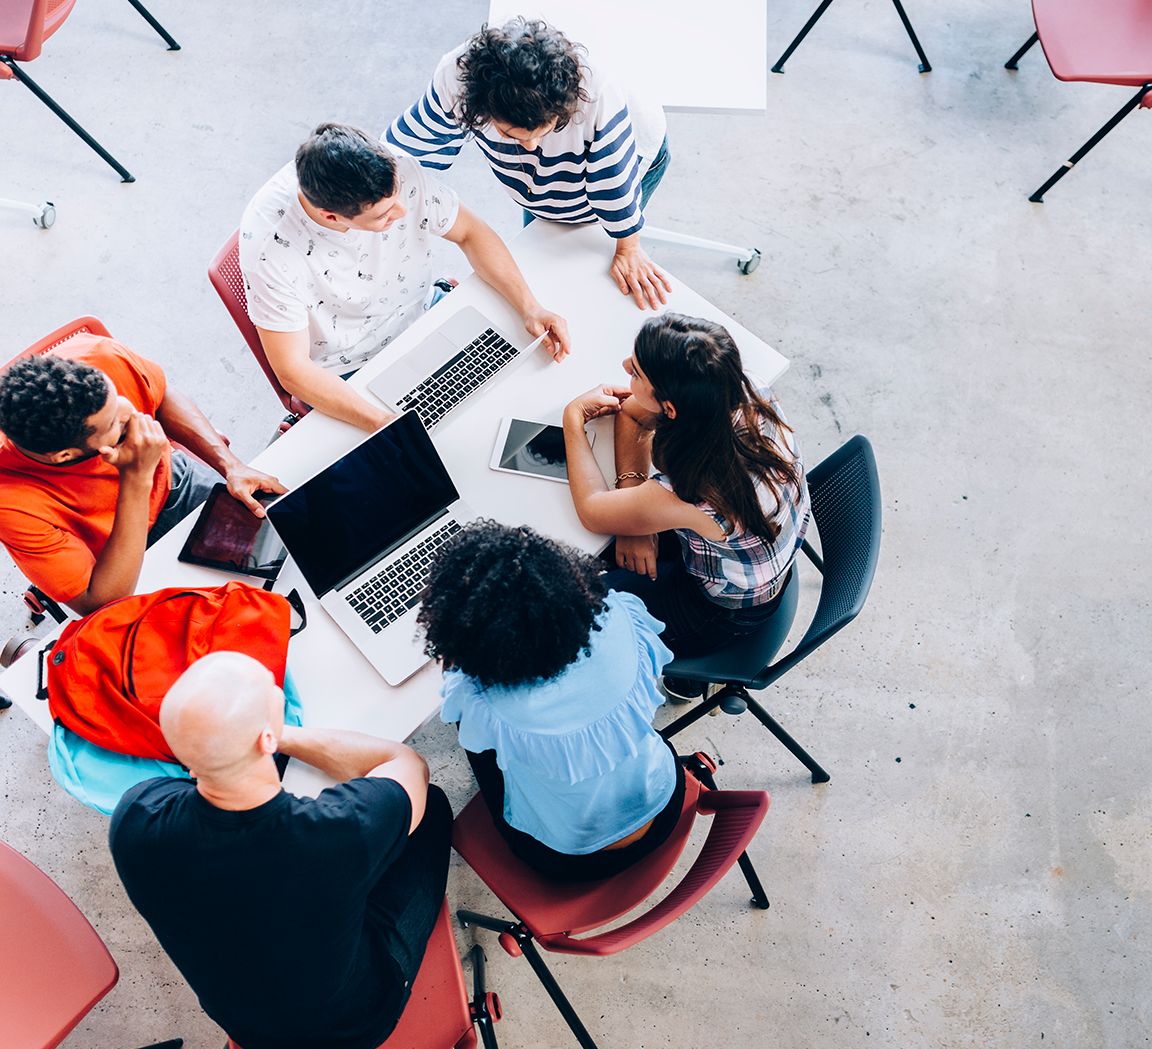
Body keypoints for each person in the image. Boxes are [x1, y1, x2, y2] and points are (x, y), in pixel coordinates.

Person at [109, 652, 452, 1049]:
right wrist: (277, 734)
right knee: (430, 809)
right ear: (266, 739)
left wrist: (235, 740)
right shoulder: (337, 833)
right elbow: (407, 764)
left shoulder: (134, 820)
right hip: (354, 1027)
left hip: (248, 1030)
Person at [237, 122, 571, 432]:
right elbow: (292, 369)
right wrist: (386, 424)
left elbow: (470, 232)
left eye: (398, 195)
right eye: (384, 215)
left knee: (530, 392)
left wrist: (530, 306)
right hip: (351, 369)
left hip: (425, 314)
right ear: (331, 216)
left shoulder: (396, 167)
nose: (402, 211)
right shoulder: (271, 248)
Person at [418, 521, 687, 881]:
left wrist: (458, 667)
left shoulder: (483, 703)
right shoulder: (622, 614)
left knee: (468, 729)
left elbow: (463, 703)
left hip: (570, 857)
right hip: (665, 800)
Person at [561, 313, 808, 677]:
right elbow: (631, 416)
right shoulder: (741, 390)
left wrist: (572, 419)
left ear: (672, 409)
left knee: (568, 611)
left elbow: (592, 510)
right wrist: (636, 521)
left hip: (719, 613)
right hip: (752, 562)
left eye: (637, 373)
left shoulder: (700, 489)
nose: (625, 366)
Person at [0, 335, 284, 616]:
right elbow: (101, 601)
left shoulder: (99, 355)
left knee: (284, 558)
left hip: (175, 484)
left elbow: (159, 395)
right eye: (117, 427)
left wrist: (230, 465)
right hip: (113, 560)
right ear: (66, 456)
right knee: (223, 620)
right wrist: (137, 478)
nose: (134, 417)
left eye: (120, 400)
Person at [387, 18, 674, 311]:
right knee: (540, 247)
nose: (531, 148)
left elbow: (614, 186)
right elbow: (404, 151)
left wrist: (628, 247)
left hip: (629, 154)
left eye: (542, 133)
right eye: (511, 135)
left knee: (579, 267)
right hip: (558, 165)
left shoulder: (598, 95)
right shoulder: (456, 77)